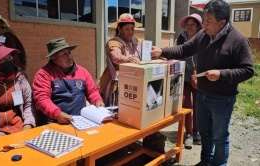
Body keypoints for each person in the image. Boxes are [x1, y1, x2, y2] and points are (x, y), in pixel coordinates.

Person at [151, 1, 254, 165]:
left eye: (208, 21)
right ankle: (205, 161)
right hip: (203, 94)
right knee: (205, 133)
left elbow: (248, 70)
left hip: (222, 98)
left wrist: (221, 74)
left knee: (220, 136)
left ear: (222, 22)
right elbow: (184, 49)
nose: (204, 24)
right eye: (204, 19)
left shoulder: (238, 40)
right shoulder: (203, 35)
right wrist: (162, 51)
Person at [33, 38, 104, 126]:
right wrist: (57, 114)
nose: (69, 56)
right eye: (64, 54)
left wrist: (97, 100)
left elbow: (92, 91)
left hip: (79, 121)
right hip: (53, 122)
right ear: (53, 57)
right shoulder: (43, 74)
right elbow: (42, 99)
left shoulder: (82, 71)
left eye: (69, 52)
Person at [97, 13, 142, 106]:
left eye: (132, 29)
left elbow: (147, 51)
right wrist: (129, 59)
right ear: (119, 29)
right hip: (117, 83)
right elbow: (116, 57)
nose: (130, 32)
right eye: (127, 29)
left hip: (135, 80)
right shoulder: (114, 42)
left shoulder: (137, 41)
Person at [176, 13, 203, 148]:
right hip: (184, 76)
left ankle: (197, 132)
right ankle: (188, 134)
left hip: (199, 76)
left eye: (192, 24)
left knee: (198, 105)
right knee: (186, 105)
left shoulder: (203, 39)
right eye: (187, 24)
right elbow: (177, 54)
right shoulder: (181, 39)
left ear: (198, 26)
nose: (189, 27)